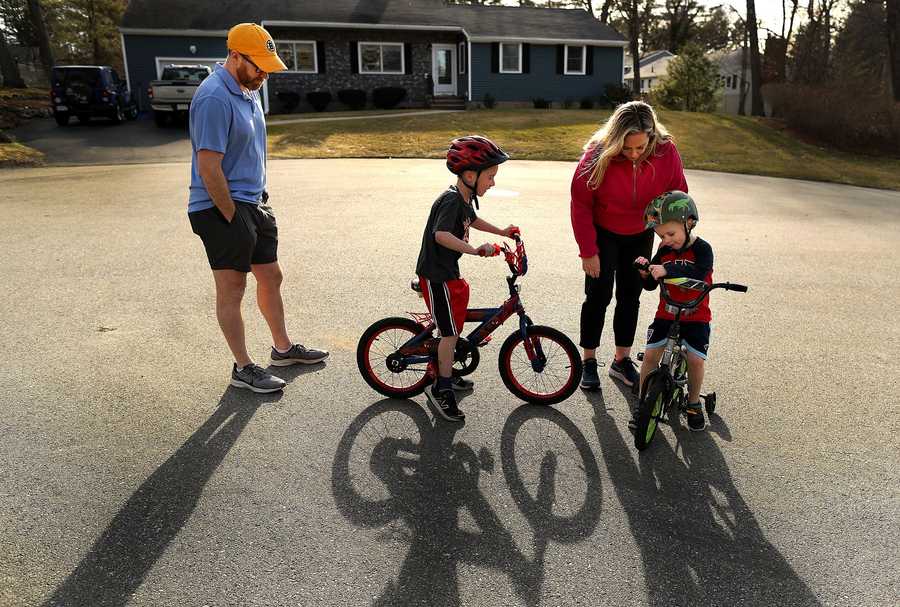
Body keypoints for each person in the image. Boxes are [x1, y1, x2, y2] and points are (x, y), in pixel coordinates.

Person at [187, 23, 328, 394]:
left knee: (271, 276)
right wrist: (232, 216)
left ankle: (282, 350)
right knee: (233, 289)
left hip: (253, 203)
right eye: (259, 65)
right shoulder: (214, 97)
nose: (265, 73)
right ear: (235, 55)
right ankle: (243, 367)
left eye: (268, 66)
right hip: (221, 207)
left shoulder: (248, 92)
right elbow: (208, 166)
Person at [570, 101, 688, 392]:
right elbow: (581, 204)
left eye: (640, 147)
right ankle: (589, 360)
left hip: (640, 233)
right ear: (615, 139)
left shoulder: (665, 151)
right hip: (603, 232)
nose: (634, 154)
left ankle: (621, 360)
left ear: (651, 136)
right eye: (626, 148)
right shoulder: (596, 155)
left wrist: (672, 234)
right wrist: (588, 251)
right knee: (597, 295)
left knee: (630, 295)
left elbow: (677, 193)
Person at [416, 135, 519, 422]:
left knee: (453, 325)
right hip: (436, 276)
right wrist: (475, 250)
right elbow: (441, 235)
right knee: (449, 334)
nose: (493, 183)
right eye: (490, 176)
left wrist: (501, 232)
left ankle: (444, 369)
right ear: (470, 175)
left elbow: (471, 220)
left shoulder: (463, 197)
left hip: (447, 273)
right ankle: (441, 387)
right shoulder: (450, 201)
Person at [635, 190, 713, 431]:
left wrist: (668, 271)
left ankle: (693, 403)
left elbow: (700, 273)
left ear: (689, 223)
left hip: (695, 316)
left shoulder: (702, 249)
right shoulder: (664, 251)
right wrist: (646, 274)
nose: (666, 239)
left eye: (671, 233)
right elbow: (651, 285)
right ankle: (642, 401)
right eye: (661, 235)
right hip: (666, 313)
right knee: (649, 356)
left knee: (695, 360)